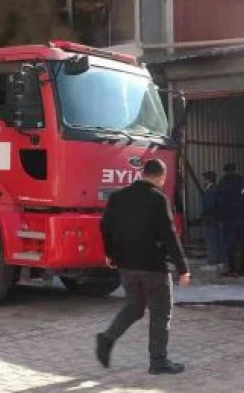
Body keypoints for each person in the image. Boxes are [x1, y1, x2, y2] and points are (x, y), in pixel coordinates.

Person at [95, 158, 191, 376]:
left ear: (142, 173)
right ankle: (158, 361)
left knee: (135, 307)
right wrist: (183, 268)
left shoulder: (118, 196)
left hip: (126, 265)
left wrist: (110, 253)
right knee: (160, 313)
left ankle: (107, 337)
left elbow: (105, 226)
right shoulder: (158, 199)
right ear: (161, 177)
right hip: (153, 267)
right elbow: (169, 235)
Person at [215, 163, 244, 276]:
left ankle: (233, 269)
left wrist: (220, 218)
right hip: (243, 218)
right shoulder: (243, 181)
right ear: (235, 170)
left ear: (225, 171)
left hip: (229, 219)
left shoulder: (223, 182)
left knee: (231, 245)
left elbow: (219, 202)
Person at [201, 171, 223, 266]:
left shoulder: (210, 190)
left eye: (204, 179)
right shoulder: (217, 189)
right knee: (217, 240)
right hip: (216, 218)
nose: (203, 181)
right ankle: (219, 259)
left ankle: (213, 260)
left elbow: (209, 205)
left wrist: (204, 215)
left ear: (208, 179)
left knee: (211, 240)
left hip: (211, 218)